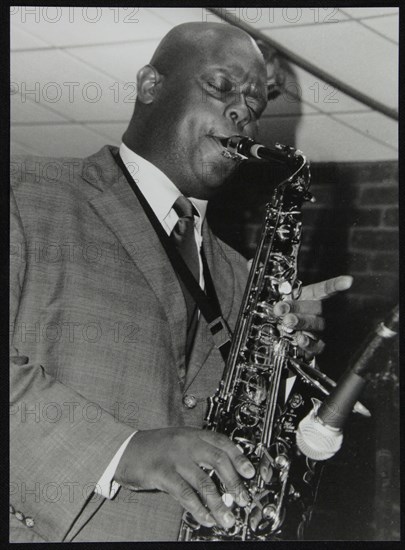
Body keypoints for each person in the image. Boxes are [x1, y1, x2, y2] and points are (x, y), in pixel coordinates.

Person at [10, 22, 352, 542]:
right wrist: (124, 451)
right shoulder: (25, 192)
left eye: (255, 107)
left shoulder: (242, 276)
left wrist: (287, 372)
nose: (242, 113)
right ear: (151, 86)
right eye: (221, 88)